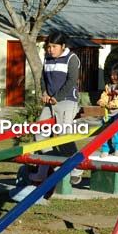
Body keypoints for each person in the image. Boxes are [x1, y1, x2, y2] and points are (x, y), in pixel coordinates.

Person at [29, 31, 83, 184]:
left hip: (66, 101)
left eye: (54, 46)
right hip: (50, 102)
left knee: (63, 136)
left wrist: (56, 97)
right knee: (39, 134)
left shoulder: (72, 59)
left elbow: (71, 81)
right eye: (49, 46)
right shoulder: (47, 58)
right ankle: (47, 167)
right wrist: (45, 93)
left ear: (63, 46)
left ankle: (77, 167)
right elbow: (43, 78)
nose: (50, 49)